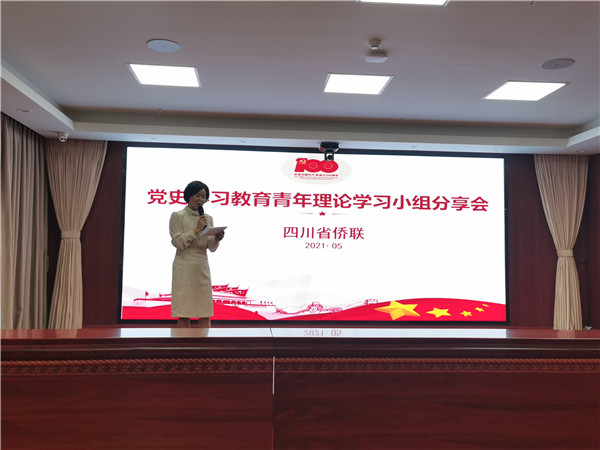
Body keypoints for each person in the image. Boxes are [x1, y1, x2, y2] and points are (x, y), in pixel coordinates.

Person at [169, 180, 225, 328]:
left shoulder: (208, 218)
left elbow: (210, 247)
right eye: (197, 195)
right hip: (184, 264)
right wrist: (196, 229)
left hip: (201, 265)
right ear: (188, 196)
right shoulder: (178, 216)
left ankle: (205, 343)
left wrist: (217, 239)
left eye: (204, 197)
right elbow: (178, 242)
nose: (201, 199)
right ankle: (182, 342)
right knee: (184, 310)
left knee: (204, 310)